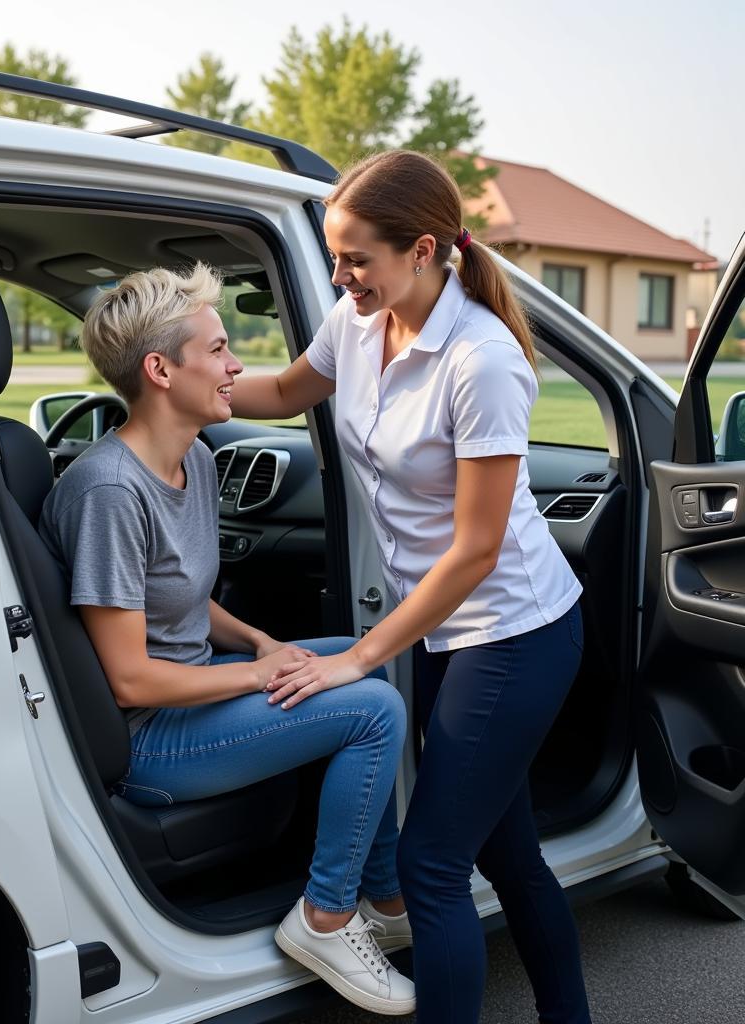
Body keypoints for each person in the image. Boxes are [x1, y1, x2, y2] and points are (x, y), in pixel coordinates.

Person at [230, 150, 591, 1024]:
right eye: (334, 254)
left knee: (432, 864)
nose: (340, 274)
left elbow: (474, 550)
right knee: (507, 856)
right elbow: (282, 389)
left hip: (513, 632)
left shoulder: (483, 359)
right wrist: (175, 382)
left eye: (358, 258)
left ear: (423, 250)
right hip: (443, 634)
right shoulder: (358, 321)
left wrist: (359, 658)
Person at [39, 264, 417, 1016]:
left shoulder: (196, 459)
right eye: (217, 350)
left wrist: (264, 643)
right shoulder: (109, 492)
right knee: (370, 708)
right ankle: (328, 917)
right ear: (160, 369)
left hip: (198, 689)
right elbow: (132, 682)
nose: (236, 366)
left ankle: (385, 898)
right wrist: (257, 676)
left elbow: (185, 600)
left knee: (363, 653)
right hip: (150, 739)